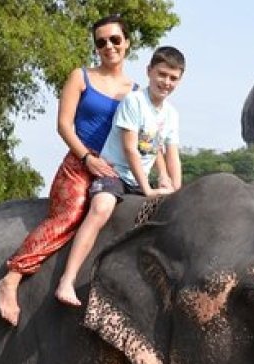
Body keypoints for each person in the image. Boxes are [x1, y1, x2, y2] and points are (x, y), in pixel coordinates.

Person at [0, 14, 136, 326]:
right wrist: (87, 158)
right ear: (96, 48)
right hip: (79, 163)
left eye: (115, 39)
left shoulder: (136, 91)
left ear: (127, 42)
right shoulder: (81, 76)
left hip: (113, 170)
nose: (109, 46)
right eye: (101, 42)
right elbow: (63, 125)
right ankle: (12, 278)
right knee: (69, 215)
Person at [54, 46, 185, 306]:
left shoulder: (171, 115)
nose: (166, 82)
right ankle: (67, 280)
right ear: (149, 72)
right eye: (162, 74)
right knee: (102, 207)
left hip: (141, 180)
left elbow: (172, 155)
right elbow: (130, 148)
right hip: (116, 172)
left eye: (173, 78)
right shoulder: (134, 101)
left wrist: (176, 189)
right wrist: (147, 189)